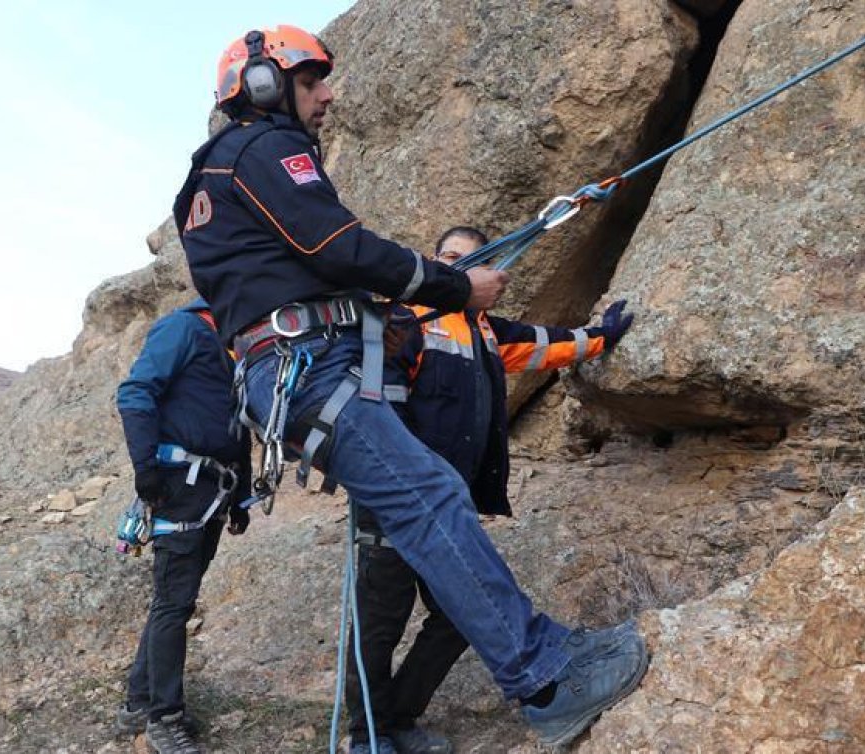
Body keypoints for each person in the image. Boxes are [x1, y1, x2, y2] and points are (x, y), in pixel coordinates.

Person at [173, 25, 649, 750]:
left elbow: (336, 273)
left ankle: (400, 721)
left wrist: (581, 335)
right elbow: (345, 249)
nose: (327, 96)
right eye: (312, 81)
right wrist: (458, 286)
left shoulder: (220, 175)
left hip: (299, 372)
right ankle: (546, 679)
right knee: (429, 501)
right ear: (264, 84)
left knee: (425, 506)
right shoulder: (266, 149)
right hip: (309, 369)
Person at [343, 227, 637, 753]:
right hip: (392, 497)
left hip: (449, 508)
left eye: (471, 260)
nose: (459, 265)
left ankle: (397, 719)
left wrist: (599, 338)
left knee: (462, 613)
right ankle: (367, 737)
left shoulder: (486, 333)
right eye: (450, 257)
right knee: (379, 620)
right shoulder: (404, 319)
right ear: (435, 263)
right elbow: (375, 399)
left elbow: (546, 343)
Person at [113, 298, 252, 754]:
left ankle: (140, 699)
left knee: (172, 598)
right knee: (175, 601)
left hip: (212, 489)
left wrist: (242, 496)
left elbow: (237, 423)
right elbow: (135, 393)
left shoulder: (231, 342)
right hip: (181, 484)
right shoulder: (184, 328)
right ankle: (164, 718)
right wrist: (145, 467)